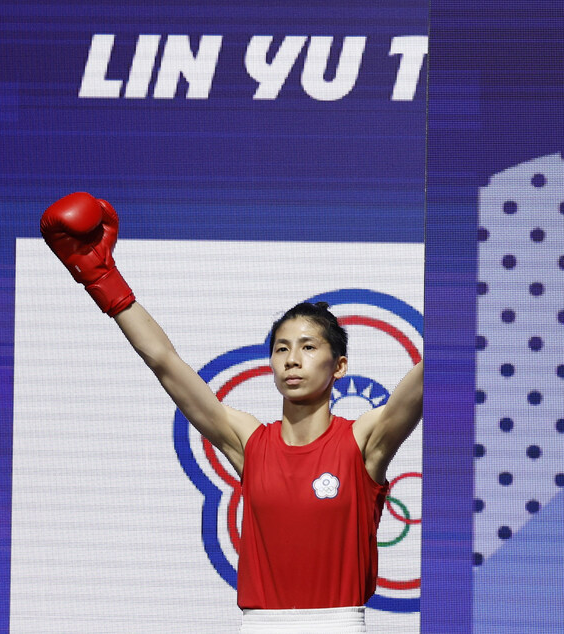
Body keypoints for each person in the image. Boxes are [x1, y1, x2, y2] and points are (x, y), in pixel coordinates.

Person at [40, 192, 423, 633]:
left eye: (308, 347)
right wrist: (102, 279)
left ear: (339, 366)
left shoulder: (363, 441)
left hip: (337, 623)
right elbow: (164, 361)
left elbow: (431, 371)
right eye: (282, 348)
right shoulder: (249, 440)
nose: (292, 359)